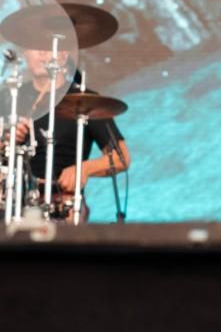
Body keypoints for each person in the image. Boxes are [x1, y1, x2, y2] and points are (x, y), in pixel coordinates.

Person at [7, 48, 130, 220]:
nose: (42, 53)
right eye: (35, 46)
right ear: (25, 53)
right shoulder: (9, 97)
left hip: (63, 201)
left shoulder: (85, 100)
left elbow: (121, 157)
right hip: (11, 198)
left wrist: (84, 169)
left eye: (48, 47)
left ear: (64, 56)